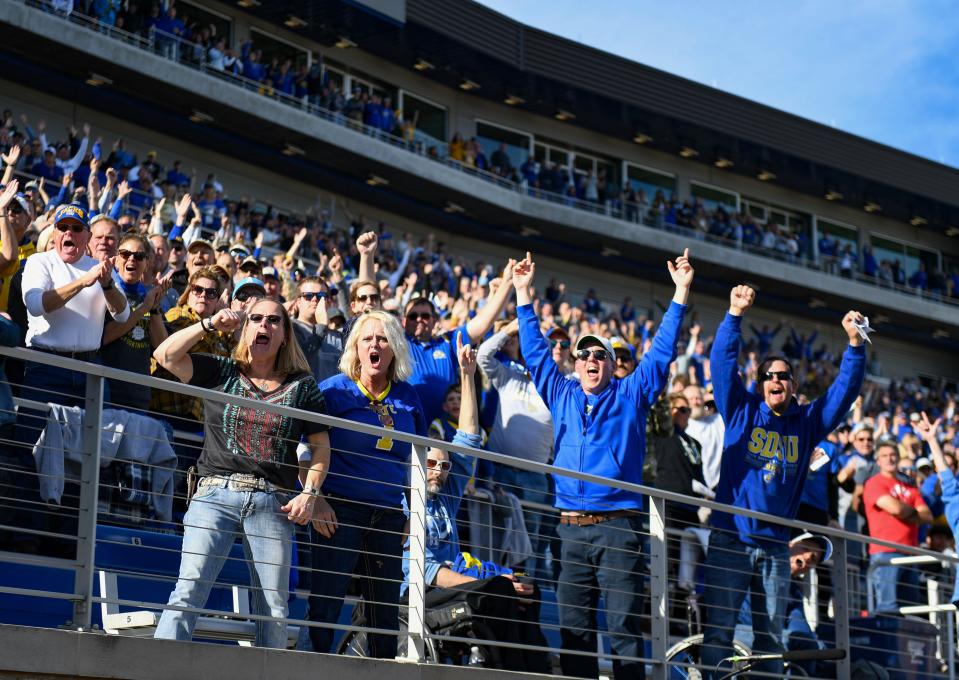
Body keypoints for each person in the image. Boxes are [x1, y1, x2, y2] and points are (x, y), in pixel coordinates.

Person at [512, 248, 693, 680]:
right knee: (574, 629)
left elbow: (662, 351)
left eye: (600, 357)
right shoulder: (562, 393)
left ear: (613, 366)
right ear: (575, 364)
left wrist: (681, 293)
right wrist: (521, 292)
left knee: (621, 627)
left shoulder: (631, 396)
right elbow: (536, 352)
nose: (592, 361)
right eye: (584, 356)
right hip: (569, 526)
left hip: (617, 525)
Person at [701, 284, 866, 680]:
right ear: (761, 385)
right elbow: (722, 365)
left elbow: (843, 394)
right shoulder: (740, 410)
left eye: (783, 376)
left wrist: (855, 346)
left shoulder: (807, 424)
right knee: (719, 634)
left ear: (793, 384)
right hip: (731, 540)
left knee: (772, 640)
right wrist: (734, 315)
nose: (776, 380)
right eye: (768, 376)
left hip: (775, 547)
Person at [153, 297, 331, 647]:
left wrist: (310, 493)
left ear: (284, 335)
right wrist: (208, 325)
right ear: (245, 328)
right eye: (256, 319)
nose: (264, 325)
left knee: (274, 608)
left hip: (272, 501)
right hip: (214, 492)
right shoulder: (221, 370)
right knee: (188, 590)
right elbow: (165, 355)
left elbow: (321, 447)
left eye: (273, 321)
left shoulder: (302, 385)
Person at [403, 336, 551, 673]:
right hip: (420, 591)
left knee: (526, 588)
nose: (439, 471)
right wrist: (481, 583)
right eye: (431, 464)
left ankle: (535, 669)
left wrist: (468, 375)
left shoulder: (446, 498)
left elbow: (468, 439)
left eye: (444, 465)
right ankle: (509, 669)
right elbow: (424, 571)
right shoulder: (405, 500)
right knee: (499, 590)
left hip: (453, 581)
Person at [306, 310, 426, 658]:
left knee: (384, 612)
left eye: (383, 339)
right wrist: (316, 500)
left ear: (395, 350)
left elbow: (414, 461)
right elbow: (304, 452)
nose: (375, 345)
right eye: (367, 339)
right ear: (355, 348)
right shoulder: (332, 392)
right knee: (326, 602)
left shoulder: (408, 398)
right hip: (338, 510)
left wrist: (411, 512)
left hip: (388, 516)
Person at [477, 318, 554, 581]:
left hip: (536, 478)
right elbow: (483, 355)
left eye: (539, 350)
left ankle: (524, 601)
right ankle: (494, 594)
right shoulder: (509, 375)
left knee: (528, 546)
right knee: (497, 538)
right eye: (529, 348)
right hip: (501, 472)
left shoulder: (555, 385)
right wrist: (509, 330)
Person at [403, 258, 515, 424]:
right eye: (413, 316)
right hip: (409, 431)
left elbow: (482, 323)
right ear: (404, 321)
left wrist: (507, 284)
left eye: (425, 316)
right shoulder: (398, 343)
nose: (419, 319)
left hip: (446, 434)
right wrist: (367, 256)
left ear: (435, 321)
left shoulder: (447, 342)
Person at [149, 268, 233, 426]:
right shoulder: (179, 314)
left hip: (200, 418)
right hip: (168, 410)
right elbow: (166, 348)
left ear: (217, 300)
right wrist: (215, 321)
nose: (203, 295)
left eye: (211, 293)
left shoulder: (220, 333)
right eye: (198, 290)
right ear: (188, 293)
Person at [101, 233, 170, 412]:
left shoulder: (148, 296)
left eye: (139, 256)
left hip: (139, 392)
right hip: (106, 390)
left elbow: (161, 348)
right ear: (116, 259)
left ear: (147, 263)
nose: (132, 259)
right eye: (125, 254)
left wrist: (154, 308)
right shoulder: (106, 291)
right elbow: (105, 336)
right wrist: (142, 310)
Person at [863, 439, 931, 613]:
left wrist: (904, 511)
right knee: (888, 608)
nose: (889, 459)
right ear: (878, 461)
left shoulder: (909, 486)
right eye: (884, 456)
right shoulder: (874, 483)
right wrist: (912, 512)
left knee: (910, 611)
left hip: (911, 553)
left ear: (899, 458)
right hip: (885, 552)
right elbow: (895, 508)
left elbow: (927, 515)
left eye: (893, 455)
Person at [290, 276, 343, 383]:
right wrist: (322, 326)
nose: (314, 299)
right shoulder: (289, 328)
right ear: (298, 302)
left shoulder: (339, 336)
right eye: (308, 296)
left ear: (328, 302)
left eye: (321, 296)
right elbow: (298, 362)